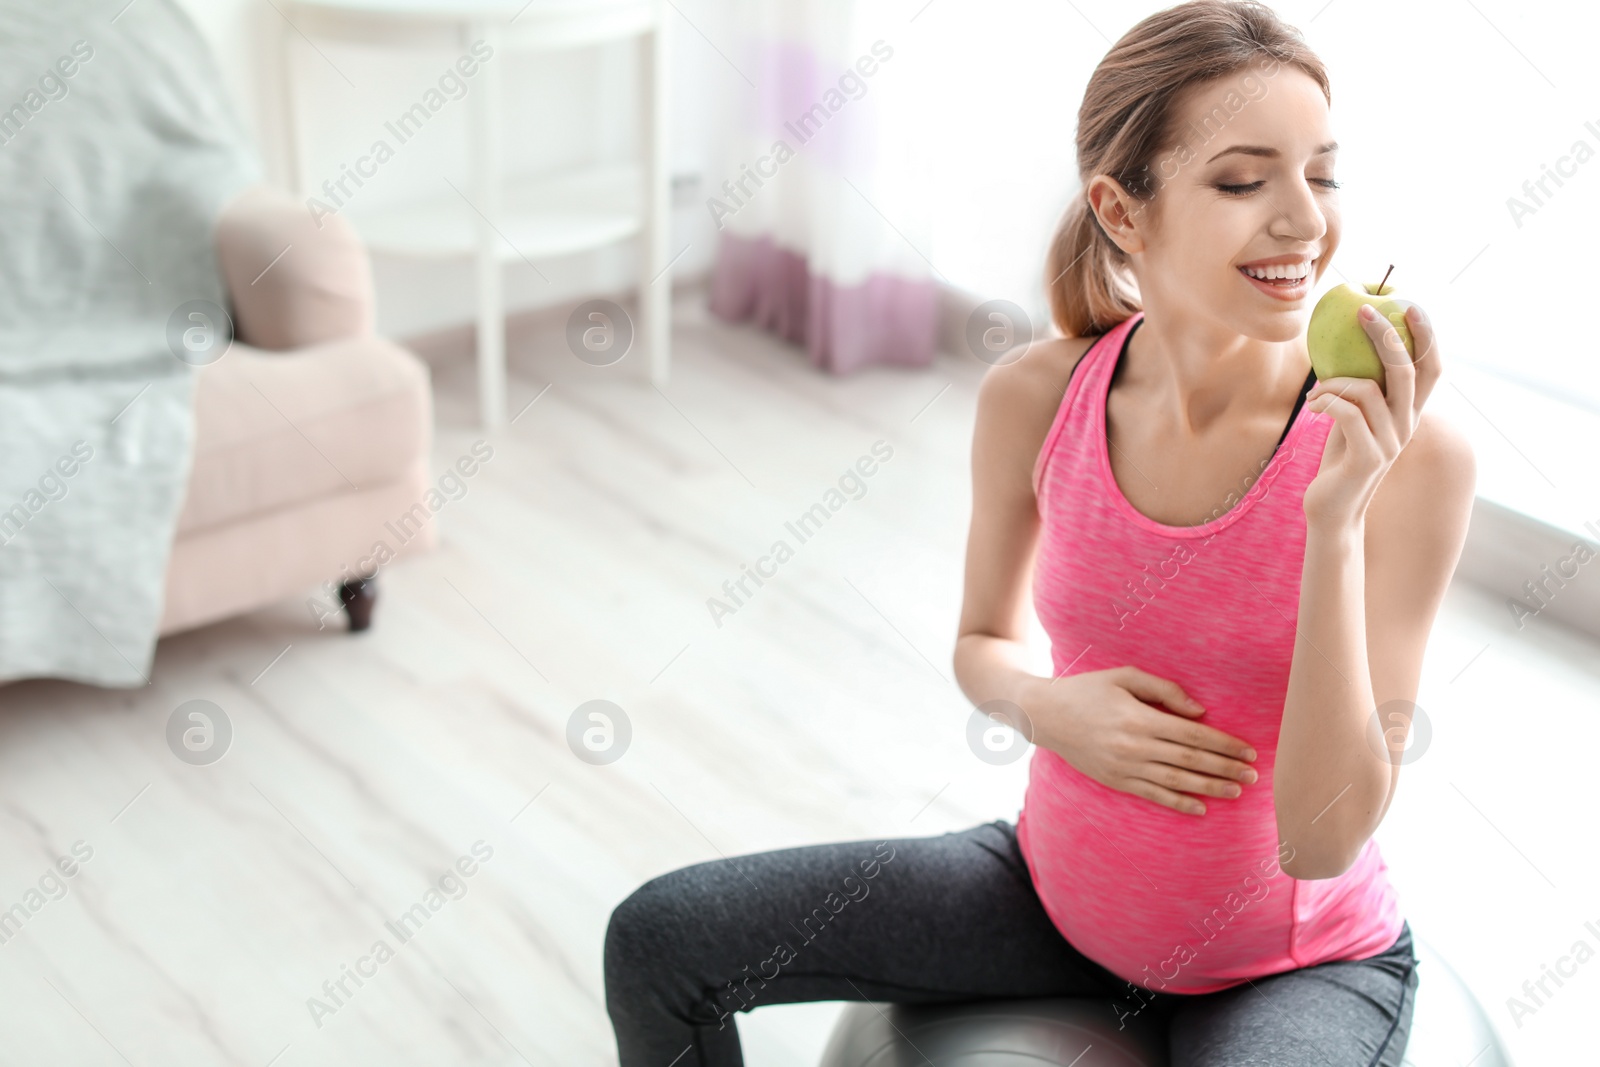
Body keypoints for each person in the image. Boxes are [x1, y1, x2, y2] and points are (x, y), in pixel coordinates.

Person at [603, 2, 1477, 1063]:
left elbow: (1321, 834)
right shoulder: (1036, 396)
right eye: (1246, 180)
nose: (1306, 222)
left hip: (1298, 963)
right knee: (660, 938)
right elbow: (982, 640)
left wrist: (1334, 519)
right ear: (1121, 208)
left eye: (1322, 173)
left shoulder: (1409, 460)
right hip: (1051, 899)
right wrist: (1042, 703)